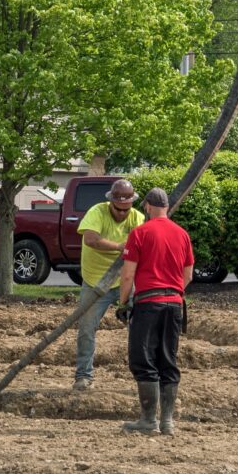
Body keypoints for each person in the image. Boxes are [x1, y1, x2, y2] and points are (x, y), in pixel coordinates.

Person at [115, 186, 193, 435]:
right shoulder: (182, 235)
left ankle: (148, 420)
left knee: (144, 358)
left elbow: (128, 275)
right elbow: (188, 274)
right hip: (174, 304)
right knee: (168, 359)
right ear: (167, 207)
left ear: (147, 206)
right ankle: (167, 422)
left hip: (149, 304)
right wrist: (173, 290)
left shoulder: (140, 233)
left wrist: (123, 303)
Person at [72, 178, 144, 391]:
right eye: (118, 208)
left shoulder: (137, 218)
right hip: (95, 281)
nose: (122, 213)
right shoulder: (97, 212)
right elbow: (91, 239)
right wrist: (121, 247)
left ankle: (143, 376)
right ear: (110, 201)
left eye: (126, 209)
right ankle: (83, 376)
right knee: (86, 328)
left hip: (125, 281)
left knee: (141, 327)